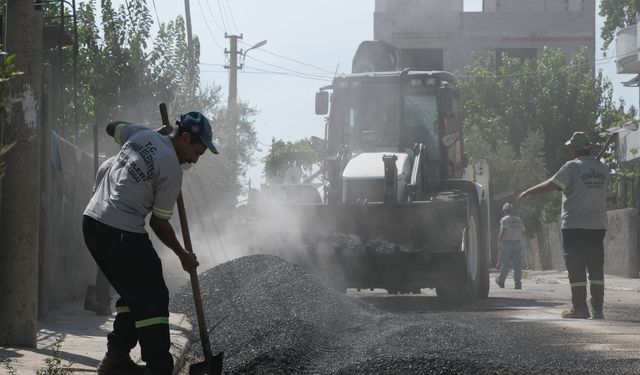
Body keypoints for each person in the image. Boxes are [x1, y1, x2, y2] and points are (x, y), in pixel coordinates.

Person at [82, 112, 218, 375]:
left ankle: (116, 359)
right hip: (120, 230)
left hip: (92, 222)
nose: (195, 159)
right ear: (185, 138)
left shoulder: (142, 134)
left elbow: (112, 127)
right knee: (154, 295)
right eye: (197, 152)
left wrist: (151, 134)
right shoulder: (171, 168)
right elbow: (159, 224)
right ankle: (158, 367)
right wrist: (183, 255)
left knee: (136, 293)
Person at [518, 131, 608, 319]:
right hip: (598, 226)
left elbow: (553, 184)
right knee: (596, 268)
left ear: (574, 148)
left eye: (571, 148)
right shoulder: (603, 168)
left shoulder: (572, 167)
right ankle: (598, 309)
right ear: (589, 147)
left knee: (576, 267)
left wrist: (529, 191)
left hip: (575, 226)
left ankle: (580, 309)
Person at [495, 202, 524, 290]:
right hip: (517, 243)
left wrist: (499, 242)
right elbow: (522, 230)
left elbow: (502, 231)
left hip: (507, 243)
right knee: (517, 265)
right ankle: (517, 283)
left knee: (505, 264)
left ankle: (501, 280)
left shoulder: (504, 219)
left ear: (504, 211)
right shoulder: (519, 219)